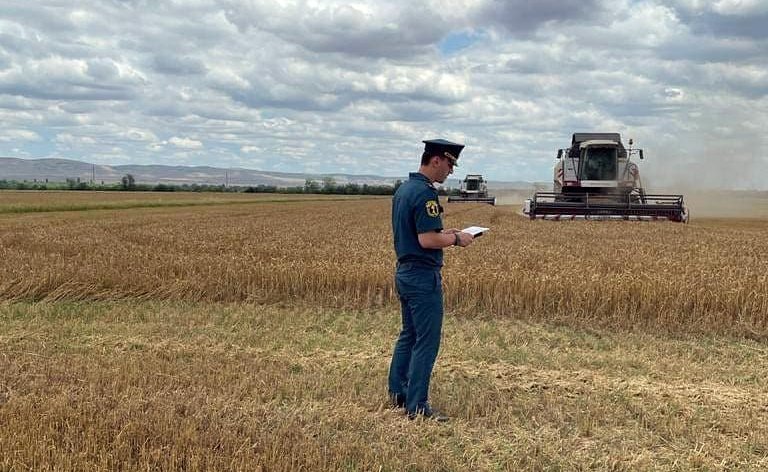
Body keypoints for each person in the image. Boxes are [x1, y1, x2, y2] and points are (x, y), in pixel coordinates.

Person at [388, 138, 475, 422]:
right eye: (449, 164)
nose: (450, 171)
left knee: (409, 335)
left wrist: (444, 233)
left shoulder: (404, 189)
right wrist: (457, 239)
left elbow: (418, 233)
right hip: (422, 277)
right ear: (435, 160)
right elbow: (427, 240)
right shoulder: (425, 194)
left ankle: (398, 393)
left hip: (404, 271)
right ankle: (417, 406)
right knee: (426, 341)